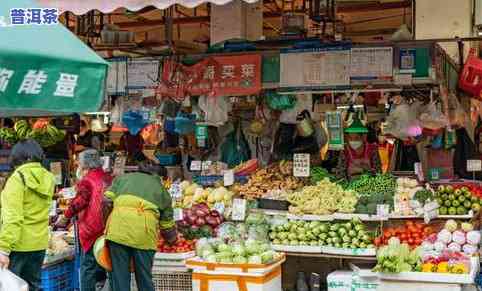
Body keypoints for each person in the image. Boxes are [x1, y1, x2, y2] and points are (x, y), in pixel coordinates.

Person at [104, 158, 177, 291]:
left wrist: (108, 223)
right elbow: (167, 226)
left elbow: (106, 201)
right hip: (143, 235)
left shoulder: (123, 179)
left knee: (120, 279)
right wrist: (172, 241)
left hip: (117, 232)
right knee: (144, 279)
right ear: (160, 177)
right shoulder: (162, 191)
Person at [0, 139, 55, 290]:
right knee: (33, 286)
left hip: (18, 245)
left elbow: (13, 218)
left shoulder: (17, 179)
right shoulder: (49, 177)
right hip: (39, 244)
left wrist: (3, 249)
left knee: (12, 287)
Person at [56, 149, 113, 291]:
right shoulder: (107, 177)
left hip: (92, 227)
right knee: (107, 261)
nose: (78, 166)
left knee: (88, 266)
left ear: (85, 165)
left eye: (79, 164)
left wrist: (65, 217)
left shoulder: (87, 181)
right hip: (108, 226)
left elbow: (79, 202)